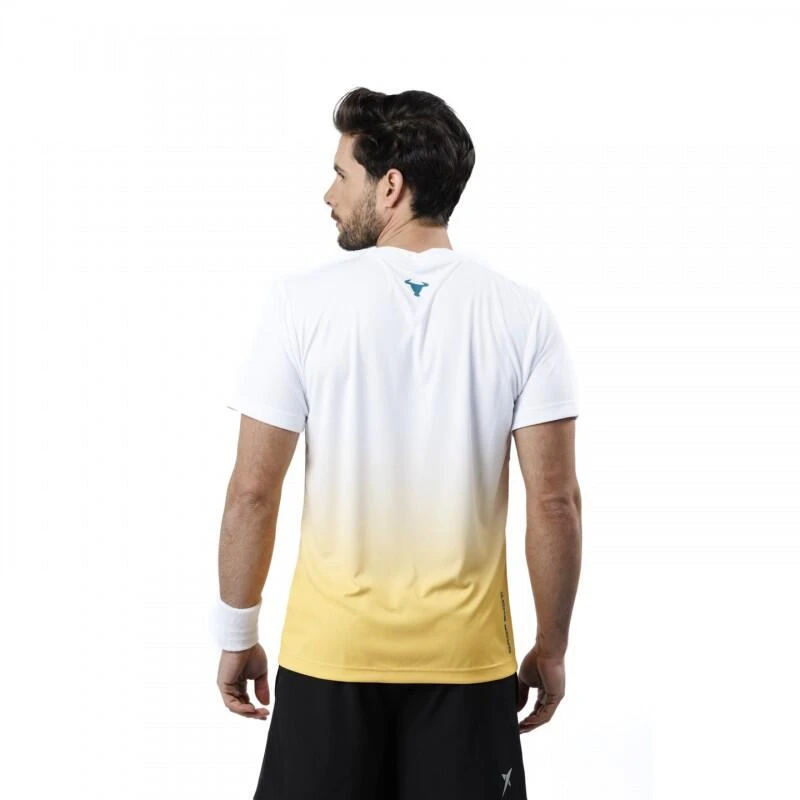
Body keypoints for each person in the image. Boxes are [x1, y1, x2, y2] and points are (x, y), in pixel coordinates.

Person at [212, 87, 582, 800]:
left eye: (341, 174)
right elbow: (555, 503)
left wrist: (236, 633)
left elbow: (252, 493)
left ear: (390, 186)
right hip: (467, 667)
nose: (328, 194)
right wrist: (552, 648)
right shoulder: (522, 315)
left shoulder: (300, 304)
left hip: (329, 661)